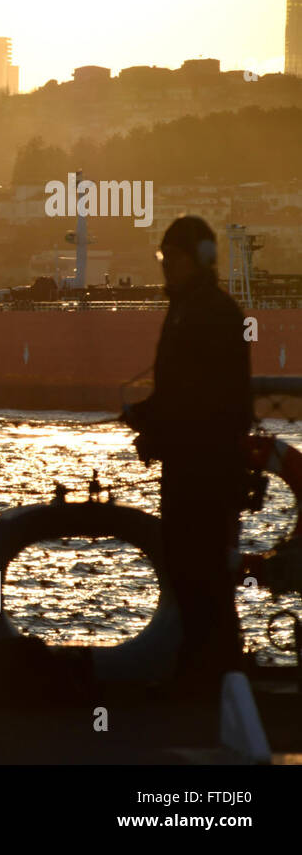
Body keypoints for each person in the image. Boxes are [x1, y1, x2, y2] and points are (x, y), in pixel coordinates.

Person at [123, 215, 252, 693]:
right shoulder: (190, 310)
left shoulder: (209, 315)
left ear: (198, 260)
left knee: (205, 575)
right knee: (191, 569)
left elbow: (202, 401)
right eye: (163, 258)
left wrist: (153, 424)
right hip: (192, 467)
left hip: (206, 472)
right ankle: (210, 674)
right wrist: (150, 419)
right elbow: (180, 394)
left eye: (173, 258)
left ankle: (213, 678)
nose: (166, 268)